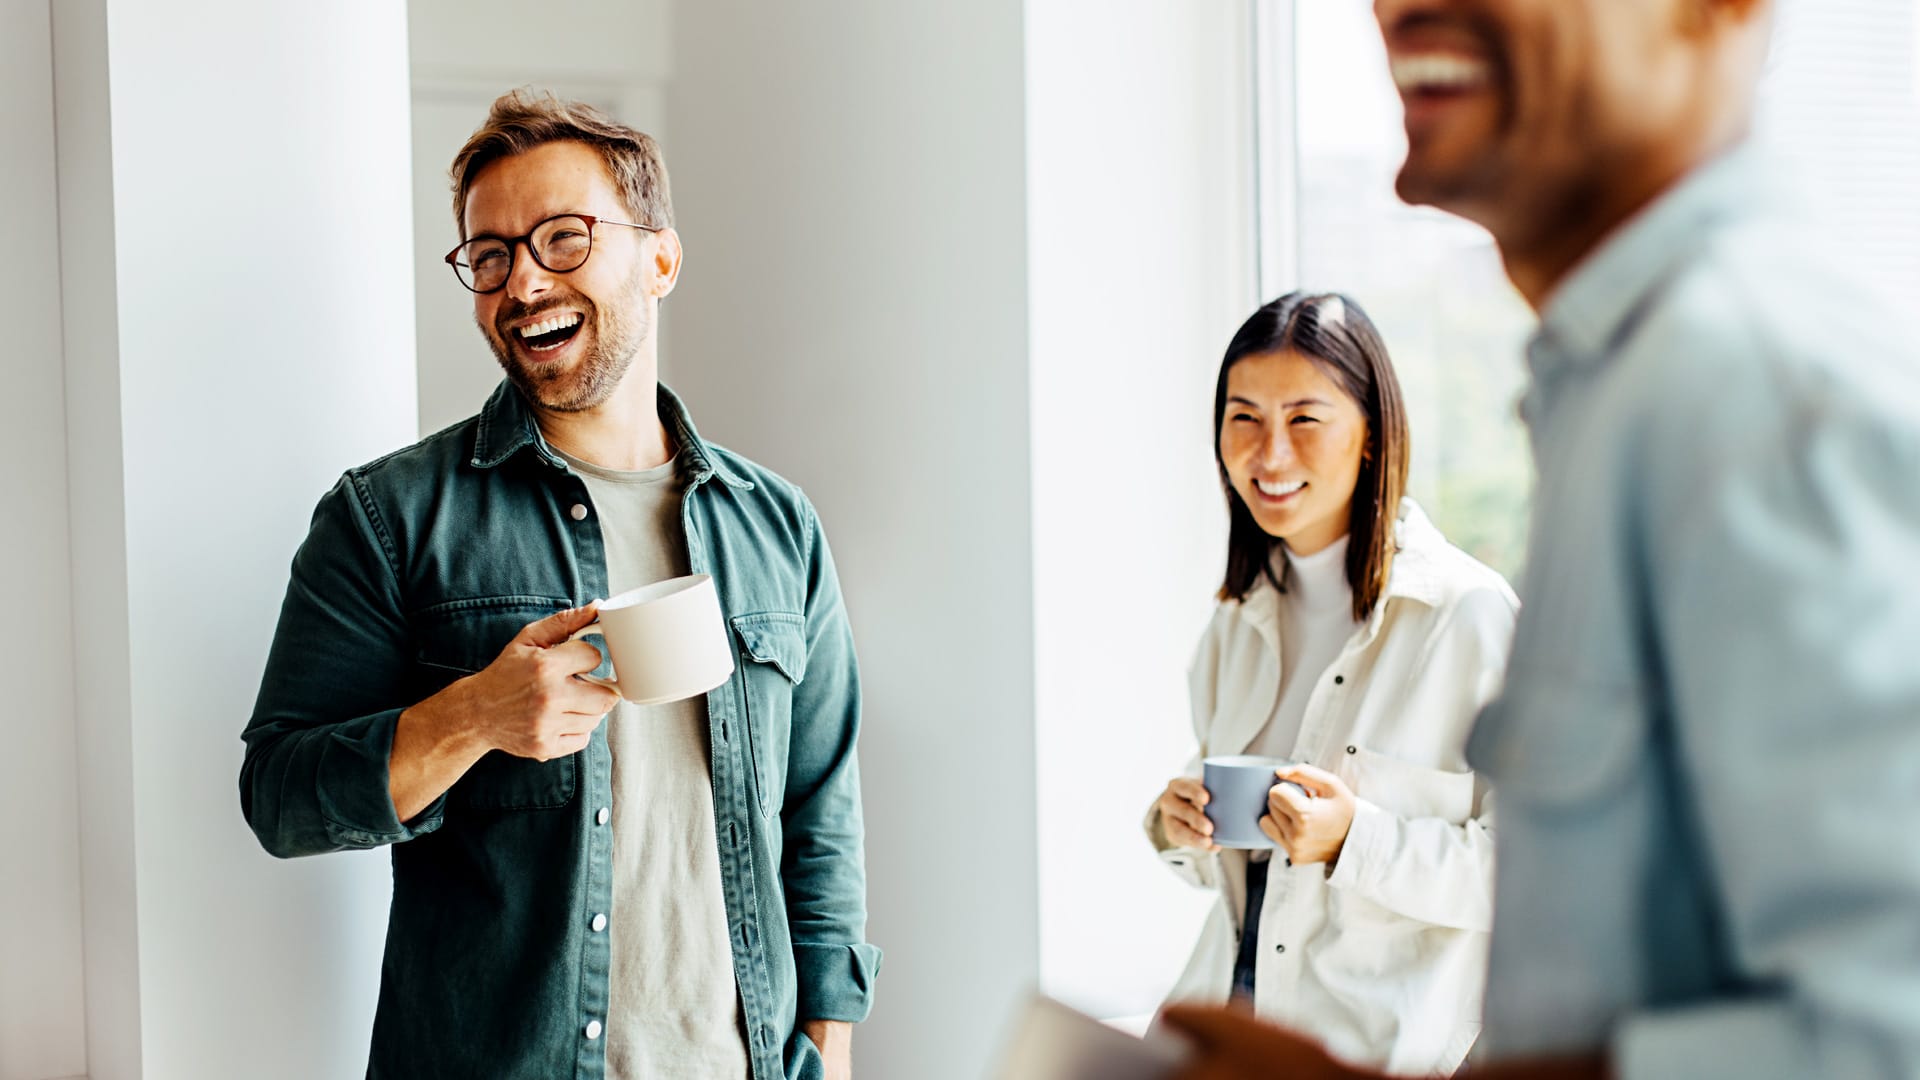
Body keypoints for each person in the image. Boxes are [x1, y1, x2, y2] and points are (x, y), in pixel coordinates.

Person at [1164, 1, 1920, 1077]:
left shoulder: (1759, 398)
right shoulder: (1622, 394)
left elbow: (1885, 1041)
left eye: (1305, 420)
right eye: (1243, 418)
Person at [240, 89, 879, 1080]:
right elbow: (281, 798)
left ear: (660, 258)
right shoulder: (390, 516)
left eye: (564, 239)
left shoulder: (778, 526)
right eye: (490, 256)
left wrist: (829, 1052)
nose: (521, 281)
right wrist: (474, 716)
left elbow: (819, 810)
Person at [1148, 291, 1516, 1075]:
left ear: (1373, 437)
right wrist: (1179, 826)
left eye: (1305, 420)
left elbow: (1532, 877)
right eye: (1243, 417)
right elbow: (1249, 879)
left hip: (1380, 1053)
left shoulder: (1467, 617)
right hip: (1235, 1029)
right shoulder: (1236, 624)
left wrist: (1356, 839)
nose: (1269, 454)